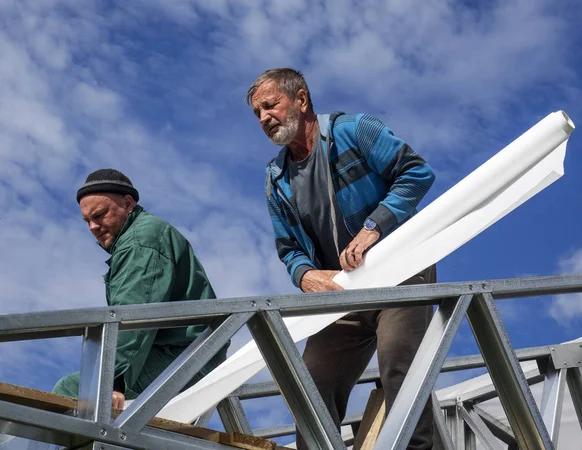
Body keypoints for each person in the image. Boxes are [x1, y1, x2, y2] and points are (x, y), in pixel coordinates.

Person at [246, 68, 437, 449]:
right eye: (258, 114)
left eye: (270, 106)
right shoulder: (277, 178)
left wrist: (374, 227)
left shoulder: (354, 130)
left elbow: (416, 172)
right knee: (313, 387)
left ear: (300, 100)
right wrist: (305, 277)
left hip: (396, 272)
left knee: (399, 365)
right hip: (343, 292)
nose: (265, 118)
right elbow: (289, 249)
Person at [52, 169, 227, 409]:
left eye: (100, 215)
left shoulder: (140, 241)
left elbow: (133, 316)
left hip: (185, 355)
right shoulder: (139, 237)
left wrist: (112, 381)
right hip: (177, 351)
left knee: (70, 391)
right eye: (87, 221)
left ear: (128, 203)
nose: (93, 227)